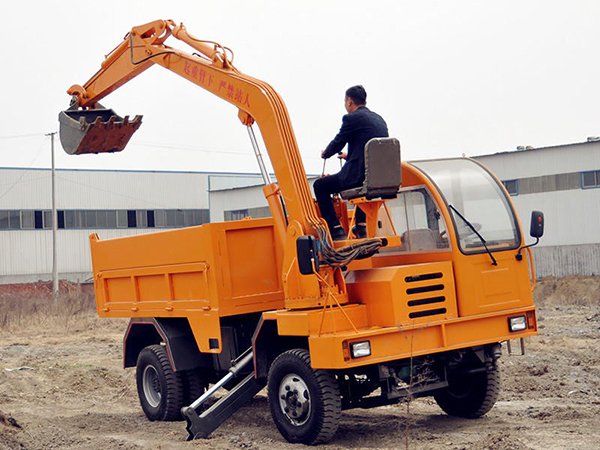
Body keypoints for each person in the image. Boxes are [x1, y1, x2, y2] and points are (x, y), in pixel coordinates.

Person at [314, 85, 389, 240]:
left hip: (358, 177)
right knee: (366, 185)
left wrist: (326, 153)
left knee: (320, 186)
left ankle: (336, 230)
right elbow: (371, 152)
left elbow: (338, 142)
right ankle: (361, 226)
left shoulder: (351, 118)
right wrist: (349, 156)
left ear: (349, 101)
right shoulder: (379, 119)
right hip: (379, 178)